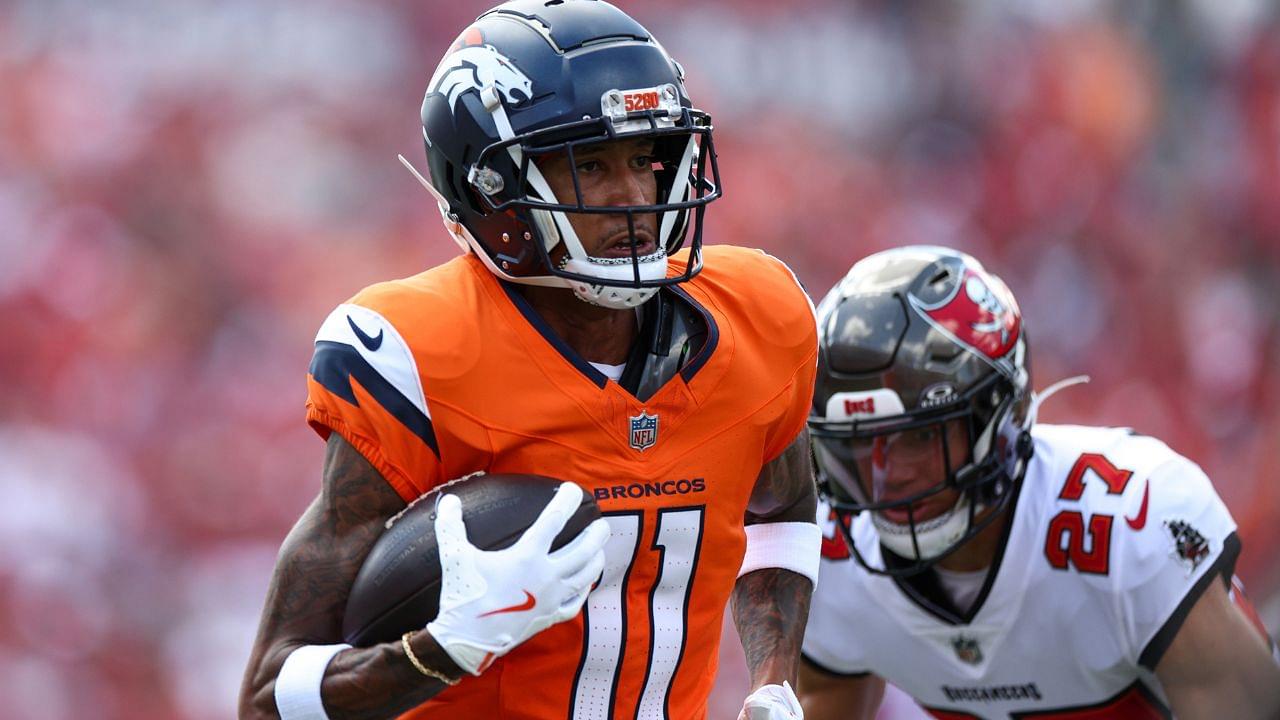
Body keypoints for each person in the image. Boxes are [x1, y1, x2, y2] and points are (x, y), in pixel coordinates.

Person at [238, 2, 821, 719]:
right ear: (491, 190)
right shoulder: (421, 352)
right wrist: (443, 648)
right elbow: (269, 697)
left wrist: (774, 677)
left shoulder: (759, 315)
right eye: (589, 167)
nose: (635, 198)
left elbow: (786, 505)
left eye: (646, 158)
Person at [797, 246, 1280, 719]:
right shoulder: (831, 552)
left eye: (920, 436)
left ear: (999, 416)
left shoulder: (1126, 518)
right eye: (859, 446)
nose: (889, 474)